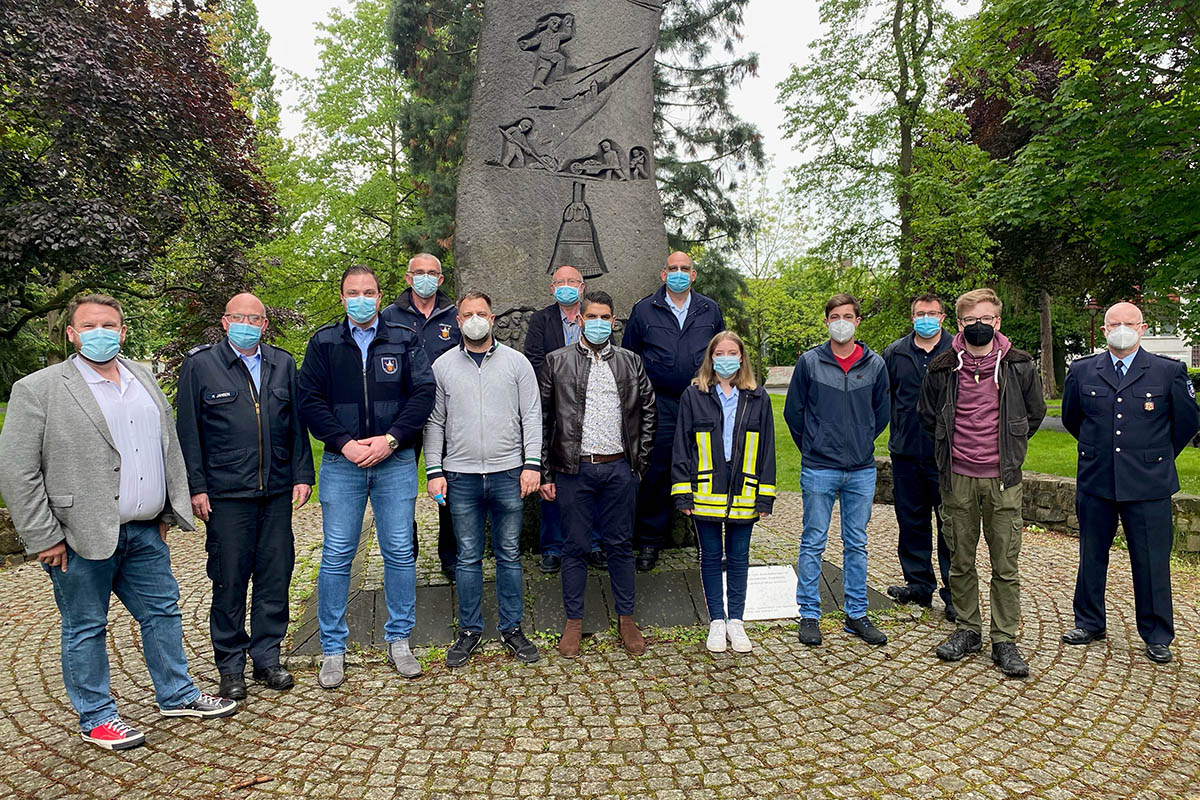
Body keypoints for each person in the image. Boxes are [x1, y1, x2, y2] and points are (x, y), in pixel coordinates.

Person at [0, 294, 237, 751]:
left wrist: (168, 509)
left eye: (109, 324)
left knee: (163, 612)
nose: (100, 332)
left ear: (123, 331)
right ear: (71, 333)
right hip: (77, 534)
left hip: (145, 531)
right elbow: (18, 470)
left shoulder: (142, 378)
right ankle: (97, 717)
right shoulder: (39, 388)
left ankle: (177, 693)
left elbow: (166, 447)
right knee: (85, 626)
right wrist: (43, 535)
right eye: (88, 326)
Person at [298, 265, 436, 688]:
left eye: (369, 292)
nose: (362, 298)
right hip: (344, 464)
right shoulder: (323, 342)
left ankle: (399, 639)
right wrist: (344, 443)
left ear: (380, 296)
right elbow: (309, 400)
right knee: (338, 554)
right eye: (353, 292)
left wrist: (391, 439)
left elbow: (424, 393)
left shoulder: (403, 338)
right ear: (342, 298)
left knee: (398, 551)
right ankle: (333, 647)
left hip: (394, 462)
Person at [175, 293, 314, 700]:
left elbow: (295, 425)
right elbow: (189, 433)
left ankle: (267, 658)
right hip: (226, 494)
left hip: (274, 492)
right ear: (224, 322)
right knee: (230, 579)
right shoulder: (200, 365)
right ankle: (231, 664)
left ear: (265, 324)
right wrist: (196, 487)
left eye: (255, 318)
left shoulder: (282, 363)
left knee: (275, 576)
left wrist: (302, 474)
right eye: (240, 317)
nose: (248, 324)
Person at [1060, 302, 1200, 664]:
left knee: (1151, 561)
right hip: (1097, 479)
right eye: (1114, 323)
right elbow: (1074, 418)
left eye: (1129, 323)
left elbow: (1185, 423)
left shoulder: (1168, 372)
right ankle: (1089, 622)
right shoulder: (1082, 369)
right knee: (1091, 555)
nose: (1121, 328)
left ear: (1143, 328)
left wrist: (1153, 455)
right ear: (1105, 330)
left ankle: (1157, 634)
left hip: (1149, 483)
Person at [918, 288, 1046, 677]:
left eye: (986, 319)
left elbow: (1035, 414)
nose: (979, 326)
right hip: (957, 477)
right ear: (959, 324)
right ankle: (968, 629)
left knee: (1005, 564)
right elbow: (927, 416)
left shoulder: (1019, 366)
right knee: (960, 560)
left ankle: (1004, 638)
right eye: (971, 320)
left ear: (998, 322)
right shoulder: (941, 368)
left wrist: (1009, 448)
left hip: (1002, 479)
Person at [424, 291, 543, 668]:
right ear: (458, 322)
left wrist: (533, 464)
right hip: (461, 476)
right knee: (468, 557)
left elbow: (533, 417)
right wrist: (434, 471)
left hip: (509, 473)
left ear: (492, 319)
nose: (475, 319)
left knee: (509, 556)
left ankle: (512, 628)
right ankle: (470, 630)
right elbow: (434, 423)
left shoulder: (517, 363)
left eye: (482, 313)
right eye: (468, 314)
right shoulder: (442, 366)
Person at [540, 291, 657, 658]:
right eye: (592, 316)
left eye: (605, 317)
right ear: (579, 320)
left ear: (614, 321)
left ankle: (626, 618)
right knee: (574, 547)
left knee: (620, 546)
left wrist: (639, 461)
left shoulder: (630, 362)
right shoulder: (556, 361)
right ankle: (574, 622)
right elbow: (542, 420)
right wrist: (545, 472)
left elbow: (649, 411)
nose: (598, 323)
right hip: (574, 470)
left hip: (619, 468)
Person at [784, 294, 890, 648]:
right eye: (834, 316)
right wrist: (815, 445)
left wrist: (859, 441)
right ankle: (809, 614)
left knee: (856, 543)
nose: (841, 321)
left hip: (860, 469)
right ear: (826, 321)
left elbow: (881, 414)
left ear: (858, 321)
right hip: (819, 467)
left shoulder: (874, 365)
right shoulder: (810, 363)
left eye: (847, 315)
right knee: (813, 541)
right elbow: (793, 414)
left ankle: (856, 613)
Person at [672, 331, 776, 653]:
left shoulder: (758, 397)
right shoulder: (694, 395)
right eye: (720, 353)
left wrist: (765, 497)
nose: (727, 358)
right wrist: (682, 493)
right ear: (711, 357)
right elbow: (682, 446)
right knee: (710, 557)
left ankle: (737, 622)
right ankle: (717, 620)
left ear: (742, 358)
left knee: (740, 558)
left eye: (733, 352)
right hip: (705, 490)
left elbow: (768, 451)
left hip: (745, 491)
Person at [623, 251, 725, 571]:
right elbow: (630, 358)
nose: (679, 273)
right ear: (663, 274)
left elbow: (721, 353)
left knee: (704, 471)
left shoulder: (710, 310)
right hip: (658, 404)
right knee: (655, 473)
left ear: (693, 275)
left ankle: (706, 544)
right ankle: (649, 543)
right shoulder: (644, 310)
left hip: (701, 401)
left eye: (685, 268)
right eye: (673, 268)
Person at [381, 253, 461, 583]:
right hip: (402, 416)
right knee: (400, 486)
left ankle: (451, 555)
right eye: (419, 272)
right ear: (408, 277)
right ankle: (405, 549)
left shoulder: (455, 315)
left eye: (433, 273)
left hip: (446, 414)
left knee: (450, 486)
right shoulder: (389, 316)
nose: (426, 277)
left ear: (441, 280)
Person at [524, 265, 605, 574]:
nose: (567, 286)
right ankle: (553, 547)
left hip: (593, 410)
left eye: (572, 281)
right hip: (555, 408)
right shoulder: (541, 321)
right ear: (552, 287)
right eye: (561, 282)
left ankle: (594, 544)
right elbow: (533, 359)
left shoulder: (594, 319)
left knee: (594, 478)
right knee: (553, 481)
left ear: (582, 287)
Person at [882, 294, 956, 620]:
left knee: (952, 526)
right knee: (911, 522)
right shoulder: (895, 353)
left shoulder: (958, 351)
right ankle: (918, 584)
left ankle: (957, 594)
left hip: (948, 454)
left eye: (932, 313)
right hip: (907, 451)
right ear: (912, 317)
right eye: (919, 313)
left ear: (943, 317)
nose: (926, 318)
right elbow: (886, 398)